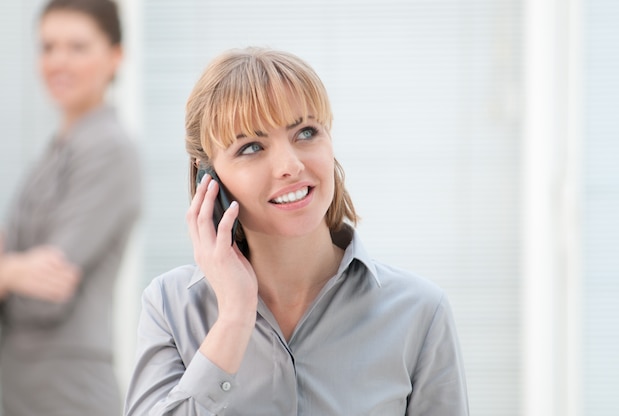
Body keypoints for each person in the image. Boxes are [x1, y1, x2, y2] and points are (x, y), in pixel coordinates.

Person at [124, 47, 468, 415]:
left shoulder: (419, 313)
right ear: (209, 178)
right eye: (251, 147)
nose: (290, 165)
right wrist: (235, 317)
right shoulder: (171, 307)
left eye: (306, 132)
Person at [0, 0, 141, 414]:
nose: (58, 61)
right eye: (48, 47)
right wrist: (13, 272)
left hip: (64, 394)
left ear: (115, 57)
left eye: (77, 47)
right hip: (23, 388)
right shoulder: (55, 153)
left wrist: (7, 269)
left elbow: (44, 294)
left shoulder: (108, 149)